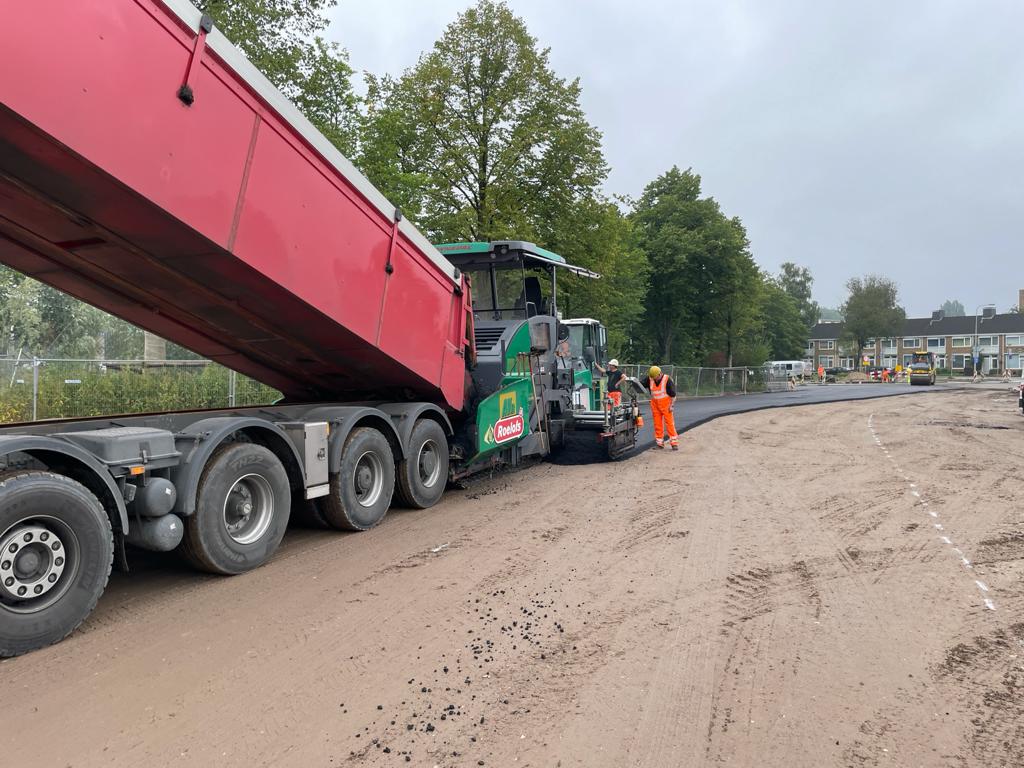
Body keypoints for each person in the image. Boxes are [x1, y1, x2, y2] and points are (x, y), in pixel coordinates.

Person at [647, 365, 679, 450]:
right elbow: (640, 385)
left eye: (655, 377)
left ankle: (674, 443)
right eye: (653, 377)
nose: (654, 379)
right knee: (657, 425)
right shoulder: (650, 378)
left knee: (669, 424)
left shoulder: (667, 380)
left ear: (660, 374)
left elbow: (673, 395)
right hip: (655, 406)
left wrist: (672, 405)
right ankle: (659, 444)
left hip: (666, 406)